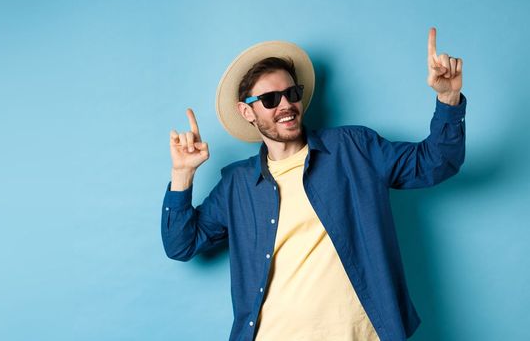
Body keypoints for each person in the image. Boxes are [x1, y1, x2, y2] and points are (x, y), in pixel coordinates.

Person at [161, 27, 466, 341]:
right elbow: (181, 245)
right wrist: (182, 174)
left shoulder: (353, 148)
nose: (286, 105)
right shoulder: (236, 184)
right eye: (269, 99)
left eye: (292, 93)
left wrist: (448, 98)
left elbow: (437, 162)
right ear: (246, 111)